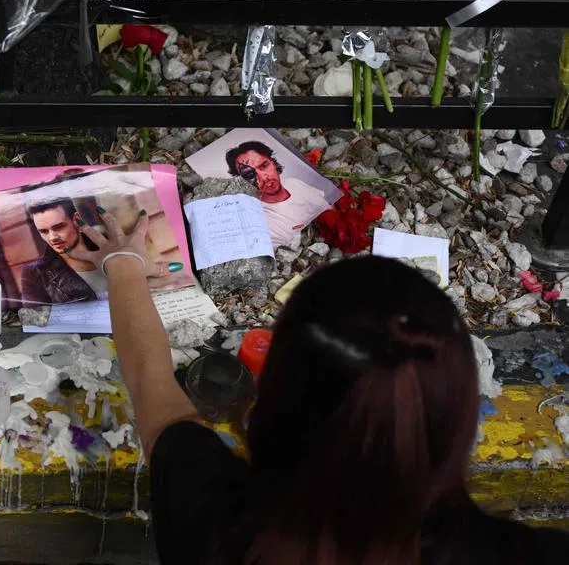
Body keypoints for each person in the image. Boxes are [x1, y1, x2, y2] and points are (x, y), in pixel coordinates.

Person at [74, 211, 566, 565]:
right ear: (458, 409)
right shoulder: (524, 553)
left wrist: (122, 261)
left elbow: (151, 383)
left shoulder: (216, 522)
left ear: (272, 396)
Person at [225, 140, 331, 246]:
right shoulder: (261, 222)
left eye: (264, 166)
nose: (263, 177)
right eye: (249, 175)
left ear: (274, 163)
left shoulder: (293, 183)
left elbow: (327, 204)